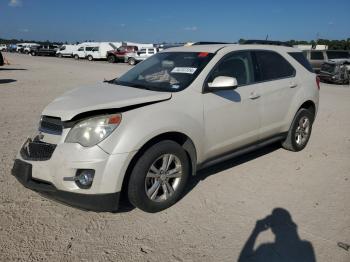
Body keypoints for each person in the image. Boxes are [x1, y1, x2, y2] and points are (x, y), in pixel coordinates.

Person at [238, 208, 316, 262]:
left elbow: (242, 260)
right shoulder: (306, 247)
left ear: (272, 229)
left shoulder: (265, 250)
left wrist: (256, 231)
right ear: (293, 225)